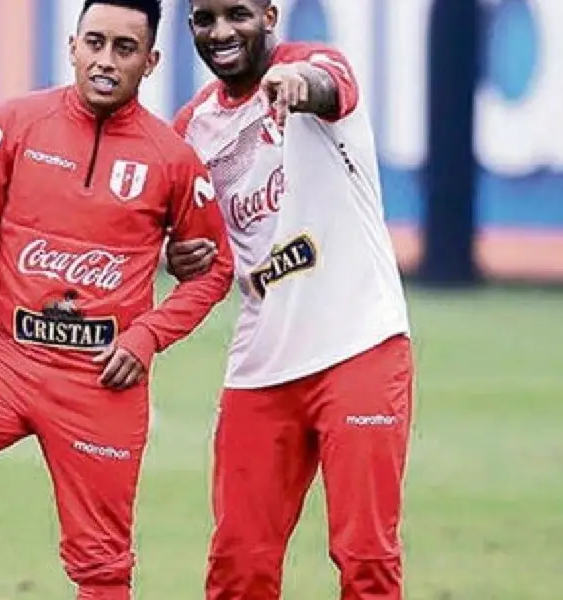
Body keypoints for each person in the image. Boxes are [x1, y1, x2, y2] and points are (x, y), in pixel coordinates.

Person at [0, 1, 234, 598]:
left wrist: (146, 337)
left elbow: (215, 269)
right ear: (72, 46)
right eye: (94, 43)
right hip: (6, 362)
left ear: (151, 62)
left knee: (102, 564)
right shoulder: (14, 126)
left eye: (124, 49)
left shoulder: (172, 160)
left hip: (102, 382)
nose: (105, 60)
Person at [165, 1, 415, 598]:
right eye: (205, 19)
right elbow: (189, 242)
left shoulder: (314, 64)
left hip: (359, 348)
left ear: (271, 15)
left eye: (238, 14)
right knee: (238, 564)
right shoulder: (192, 128)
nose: (221, 31)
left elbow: (331, 86)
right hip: (261, 365)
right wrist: (180, 255)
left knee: (365, 557)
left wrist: (298, 84)